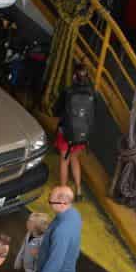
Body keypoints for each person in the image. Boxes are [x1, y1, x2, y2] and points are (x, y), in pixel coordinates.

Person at [55, 64, 95, 199]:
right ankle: (78, 191)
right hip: (83, 134)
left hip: (66, 132)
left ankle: (63, 192)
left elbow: (56, 110)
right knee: (74, 158)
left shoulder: (67, 92)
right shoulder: (92, 93)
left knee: (64, 160)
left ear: (73, 76)